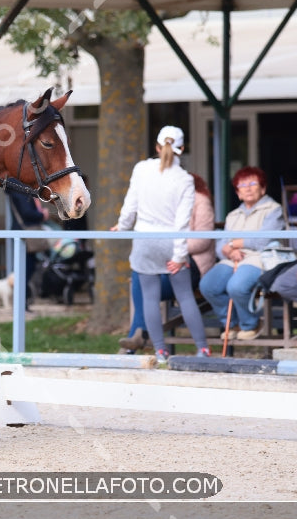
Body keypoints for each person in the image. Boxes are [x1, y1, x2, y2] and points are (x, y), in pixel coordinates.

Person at [111, 126, 210, 363]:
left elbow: (130, 205)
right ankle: (203, 349)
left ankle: (160, 352)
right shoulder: (185, 179)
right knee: (185, 296)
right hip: (170, 240)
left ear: (157, 147)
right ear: (182, 149)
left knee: (149, 299)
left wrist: (122, 226)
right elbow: (182, 221)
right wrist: (179, 256)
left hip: (144, 240)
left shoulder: (141, 169)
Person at [119, 173, 216, 352]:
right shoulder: (165, 201)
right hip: (167, 258)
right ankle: (141, 335)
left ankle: (142, 337)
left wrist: (176, 251)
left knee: (147, 284)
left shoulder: (200, 201)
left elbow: (203, 239)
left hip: (192, 262)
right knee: (139, 278)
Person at [199, 166, 285, 341]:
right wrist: (230, 251)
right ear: (238, 192)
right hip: (232, 259)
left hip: (259, 258)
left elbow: (263, 241)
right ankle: (233, 323)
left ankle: (251, 324)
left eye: (253, 183)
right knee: (208, 286)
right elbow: (221, 246)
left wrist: (233, 243)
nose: (247, 187)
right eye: (242, 184)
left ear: (263, 188)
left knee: (236, 286)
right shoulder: (233, 215)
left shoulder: (273, 209)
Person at [9, 191, 51, 307]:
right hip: (24, 235)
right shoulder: (20, 192)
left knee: (28, 268)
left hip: (26, 235)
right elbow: (27, 212)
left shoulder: (24, 191)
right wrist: (42, 215)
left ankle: (23, 302)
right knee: (25, 270)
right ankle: (21, 304)